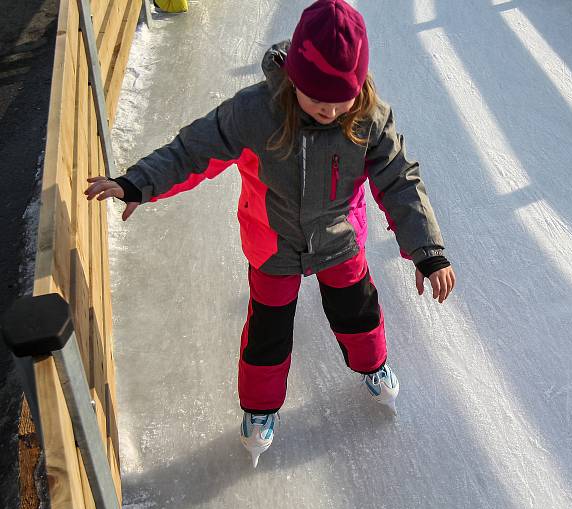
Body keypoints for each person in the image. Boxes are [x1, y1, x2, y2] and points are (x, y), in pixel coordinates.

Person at [85, 0, 455, 467]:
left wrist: (428, 251)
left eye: (341, 96)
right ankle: (260, 410)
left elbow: (400, 180)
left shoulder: (367, 118)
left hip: (340, 240)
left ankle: (373, 366)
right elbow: (192, 150)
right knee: (268, 331)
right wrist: (138, 181)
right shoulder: (254, 113)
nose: (330, 108)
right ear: (295, 78)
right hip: (272, 245)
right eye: (318, 96)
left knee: (357, 310)